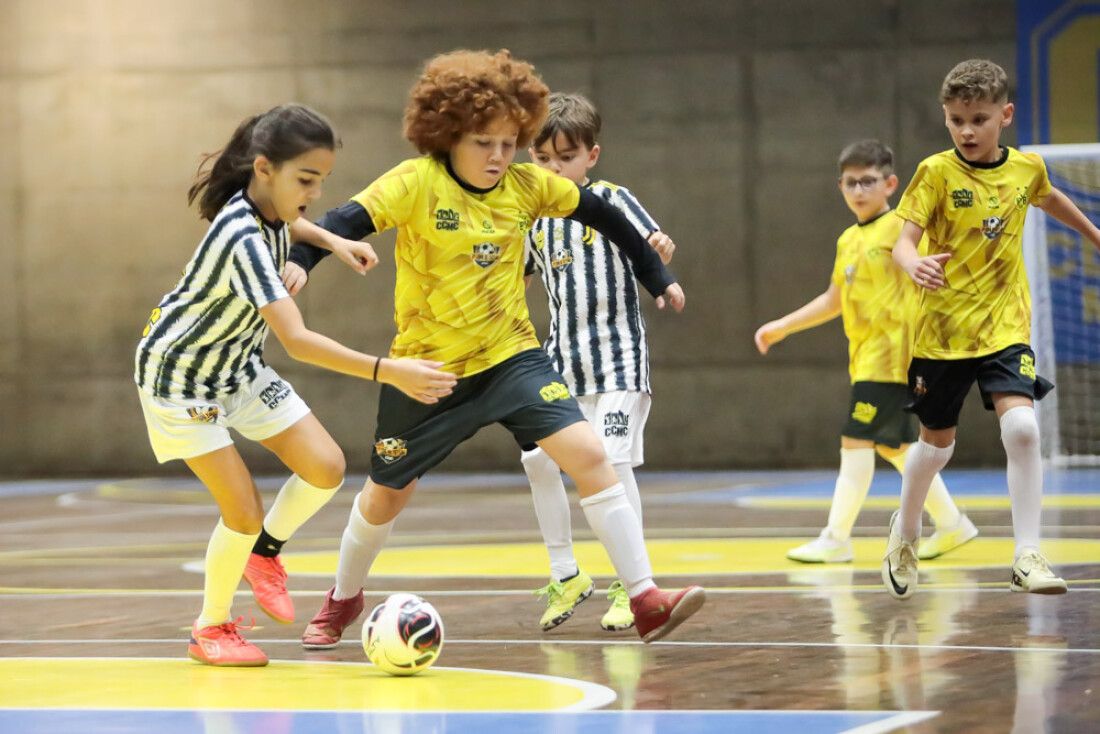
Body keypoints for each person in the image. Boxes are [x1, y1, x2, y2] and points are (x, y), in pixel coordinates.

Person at [283, 49, 706, 646]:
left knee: (589, 455)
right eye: (485, 143)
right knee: (384, 496)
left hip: (512, 358)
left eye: (511, 143)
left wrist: (655, 277)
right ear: (449, 135)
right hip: (426, 372)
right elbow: (342, 220)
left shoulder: (529, 185)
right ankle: (343, 598)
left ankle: (645, 599)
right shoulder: (414, 183)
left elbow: (607, 218)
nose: (500, 157)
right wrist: (302, 257)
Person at [135, 104, 457, 667]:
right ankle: (210, 629)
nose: (313, 192)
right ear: (264, 168)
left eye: (322, 181)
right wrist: (390, 369)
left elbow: (292, 223)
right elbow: (299, 342)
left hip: (235, 366)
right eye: (305, 180)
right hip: (181, 380)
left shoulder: (270, 209)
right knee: (241, 510)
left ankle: (265, 555)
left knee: (325, 465)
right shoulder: (242, 237)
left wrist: (332, 242)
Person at [882, 59, 1100, 599]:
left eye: (978, 119)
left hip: (1005, 327)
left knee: (1023, 430)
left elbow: (1050, 197)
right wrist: (912, 263)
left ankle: (1027, 554)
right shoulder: (935, 172)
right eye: (956, 120)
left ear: (1004, 115)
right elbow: (903, 241)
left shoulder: (1026, 170)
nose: (966, 130)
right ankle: (906, 532)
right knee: (935, 448)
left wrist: (1095, 234)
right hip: (942, 334)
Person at [755, 140, 976, 564]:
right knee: (894, 446)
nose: (859, 190)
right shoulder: (847, 240)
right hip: (865, 360)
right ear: (839, 186)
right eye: (850, 183)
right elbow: (833, 300)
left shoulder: (901, 230)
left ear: (890, 183)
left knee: (858, 439)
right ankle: (952, 524)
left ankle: (836, 538)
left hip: (893, 360)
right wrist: (783, 326)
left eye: (868, 181)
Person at [521, 92, 677, 633]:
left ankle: (630, 582)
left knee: (611, 464)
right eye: (542, 159)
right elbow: (510, 275)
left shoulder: (613, 198)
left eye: (564, 157)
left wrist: (660, 255)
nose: (553, 169)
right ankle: (566, 575)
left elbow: (650, 246)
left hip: (618, 363)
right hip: (561, 364)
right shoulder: (532, 216)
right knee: (538, 462)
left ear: (591, 155)